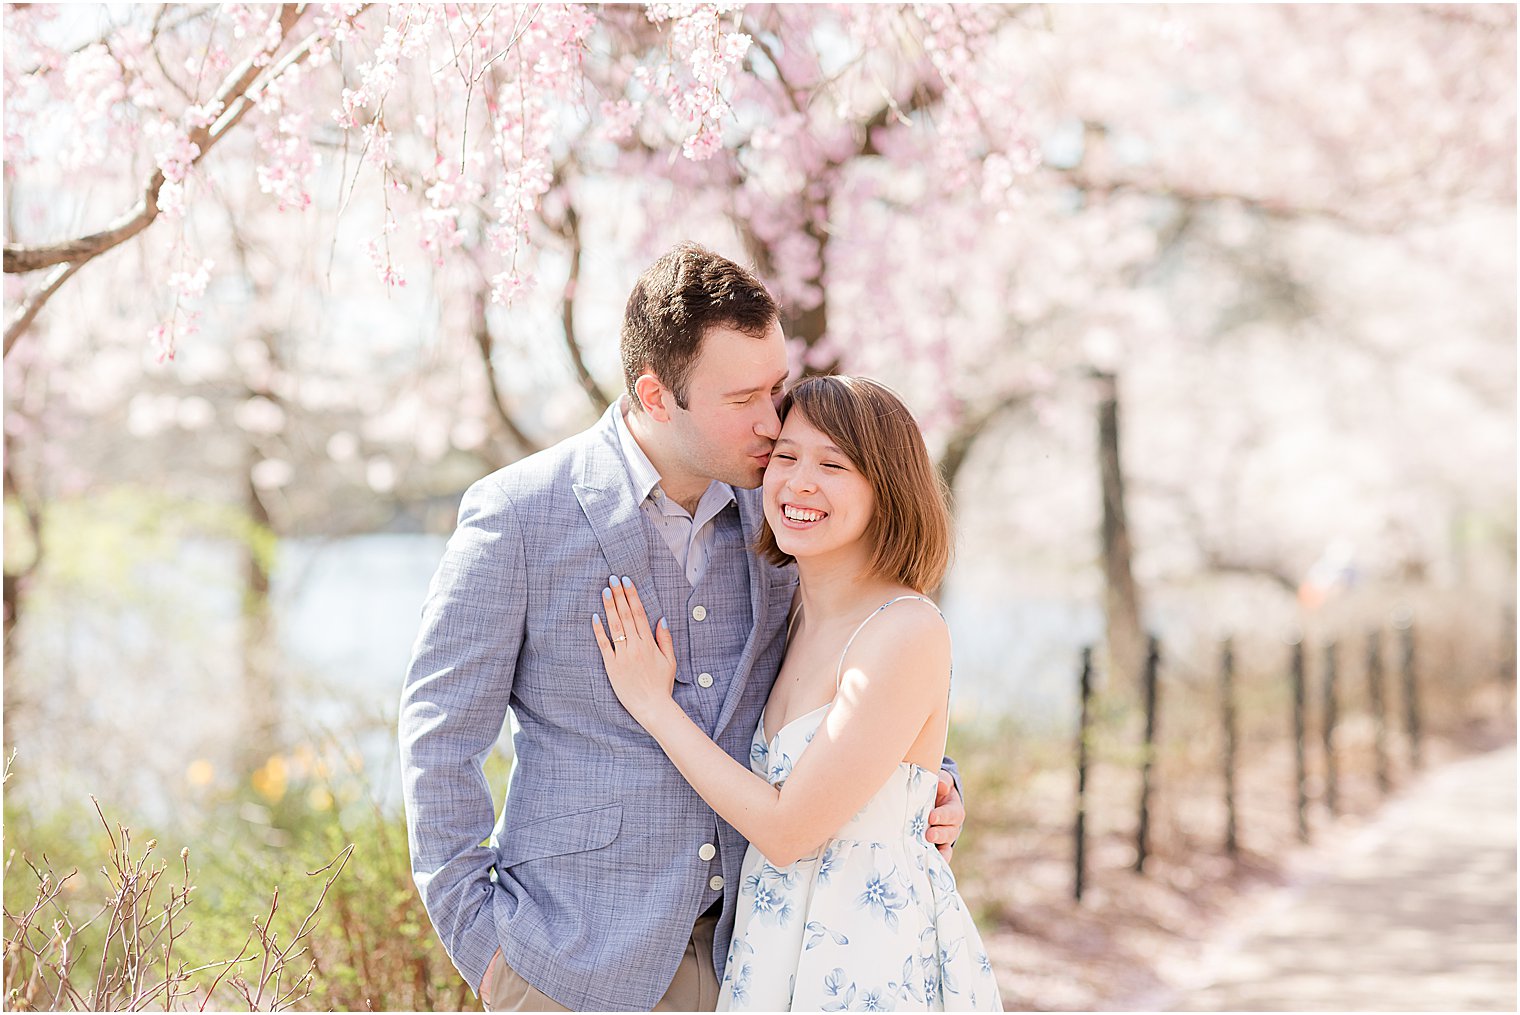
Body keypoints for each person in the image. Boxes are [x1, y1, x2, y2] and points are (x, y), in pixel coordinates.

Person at [398, 243, 968, 1011]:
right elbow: (438, 738)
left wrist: (929, 786)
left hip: (755, 962)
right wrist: (488, 947)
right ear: (658, 396)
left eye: (777, 387)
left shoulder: (782, 520)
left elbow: (856, 673)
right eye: (743, 400)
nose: (773, 423)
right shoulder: (519, 517)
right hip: (567, 968)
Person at [593, 374, 1003, 1011]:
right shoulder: (789, 614)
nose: (799, 482)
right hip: (774, 946)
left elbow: (788, 831)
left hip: (863, 959)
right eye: (785, 456)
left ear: (886, 488)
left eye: (833, 464)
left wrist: (653, 705)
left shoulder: (906, 628)